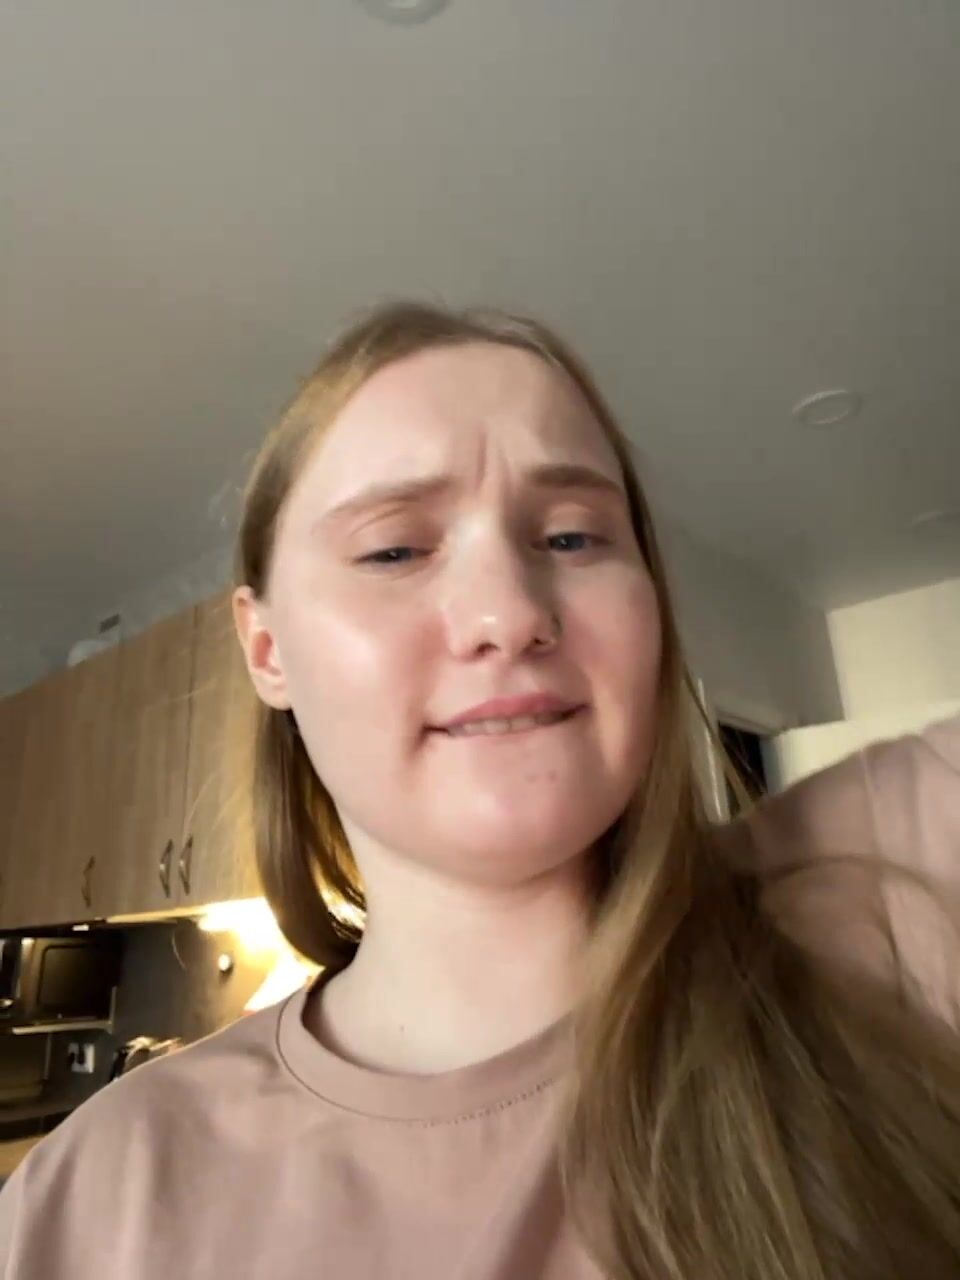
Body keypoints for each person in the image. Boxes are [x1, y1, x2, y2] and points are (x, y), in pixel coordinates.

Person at [1, 302, 958, 1279]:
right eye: (395, 549)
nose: (510, 612)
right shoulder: (92, 1200)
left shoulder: (888, 896)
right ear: (268, 648)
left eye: (575, 537)